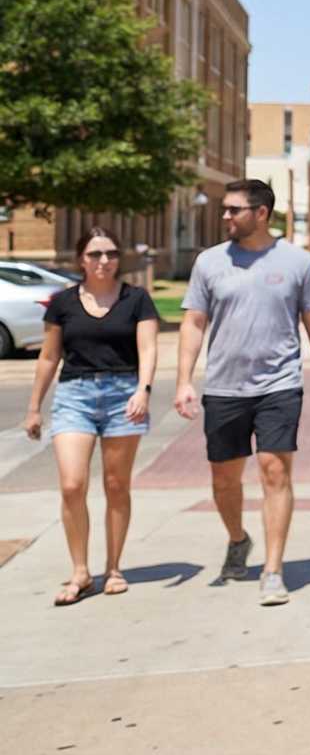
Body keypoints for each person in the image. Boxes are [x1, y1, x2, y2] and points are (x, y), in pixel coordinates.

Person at [174, 179, 310, 606]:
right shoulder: (209, 263)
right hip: (225, 387)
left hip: (279, 384)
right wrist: (183, 380)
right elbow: (193, 323)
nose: (225, 216)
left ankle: (272, 568)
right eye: (225, 210)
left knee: (274, 471)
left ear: (261, 213)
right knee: (224, 478)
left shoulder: (297, 262)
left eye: (233, 210)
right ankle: (237, 538)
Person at [22, 229, 160, 605]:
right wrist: (34, 407)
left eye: (111, 254)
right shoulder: (62, 303)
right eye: (96, 254)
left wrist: (142, 390)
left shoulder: (137, 299)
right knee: (72, 485)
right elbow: (49, 357)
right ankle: (80, 571)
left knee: (117, 485)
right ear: (81, 259)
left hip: (123, 396)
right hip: (74, 396)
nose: (104, 261)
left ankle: (114, 567)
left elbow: (148, 350)